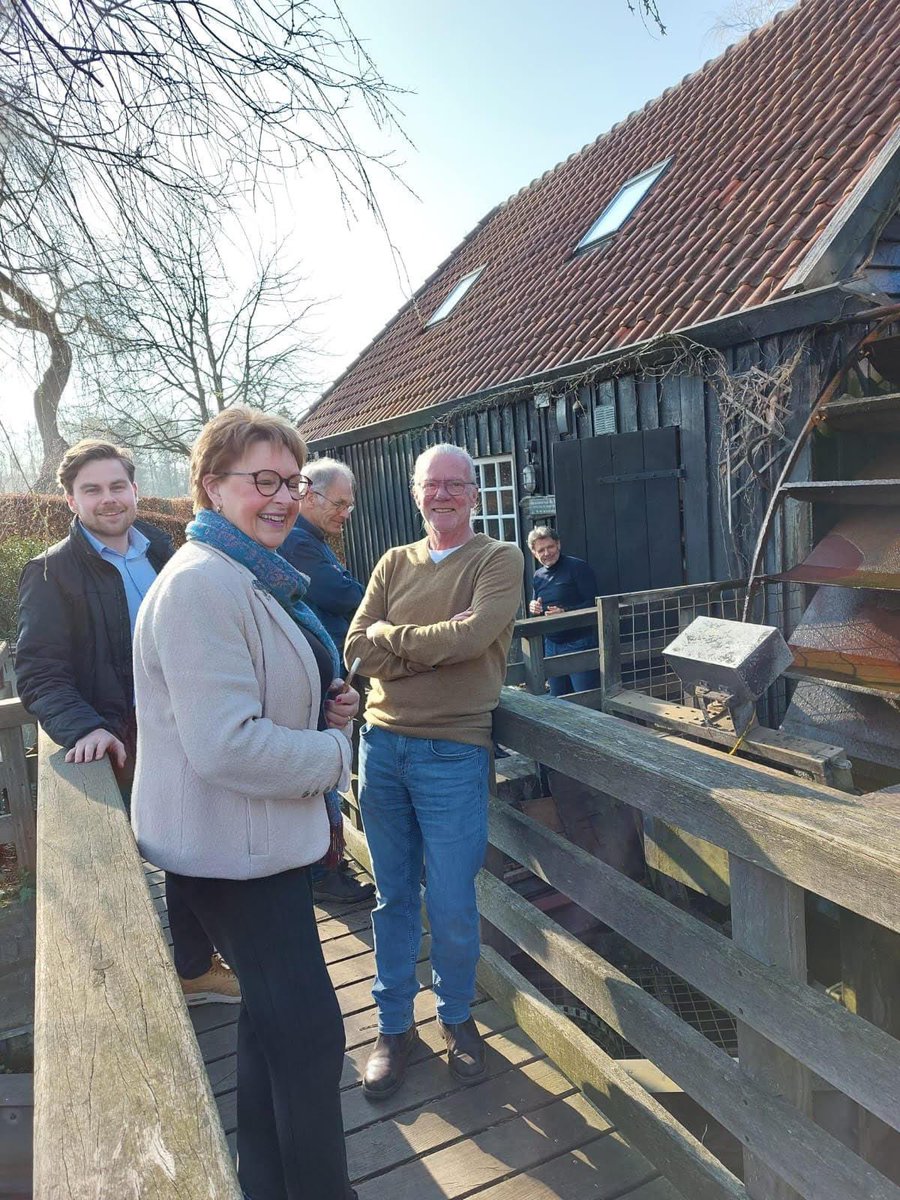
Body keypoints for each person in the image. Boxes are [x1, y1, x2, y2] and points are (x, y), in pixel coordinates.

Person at [131, 407, 360, 1200]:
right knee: (310, 1041)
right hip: (237, 860)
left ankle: (266, 1184)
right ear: (209, 487)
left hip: (258, 847)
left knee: (271, 1031)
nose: (283, 498)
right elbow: (226, 744)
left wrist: (322, 710)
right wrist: (335, 754)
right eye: (262, 481)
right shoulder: (202, 586)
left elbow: (254, 699)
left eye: (291, 481)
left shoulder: (243, 576)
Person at [15, 438, 238, 1006]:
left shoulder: (171, 551)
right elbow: (39, 674)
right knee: (156, 855)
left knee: (201, 845)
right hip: (126, 740)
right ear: (70, 500)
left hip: (196, 724)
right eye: (92, 489)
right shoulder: (49, 573)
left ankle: (198, 965)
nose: (108, 499)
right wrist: (85, 727)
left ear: (135, 490)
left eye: (118, 486)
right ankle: (157, 980)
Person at [345, 443, 524, 1100]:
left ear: (473, 493)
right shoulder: (394, 562)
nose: (443, 495)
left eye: (455, 484)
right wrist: (419, 644)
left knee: (451, 901)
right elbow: (355, 648)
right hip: (383, 748)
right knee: (392, 897)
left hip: (453, 750)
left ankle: (456, 1020)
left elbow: (471, 638)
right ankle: (393, 1028)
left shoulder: (498, 559)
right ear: (416, 493)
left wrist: (394, 639)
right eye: (432, 485)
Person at [279, 457, 373, 905]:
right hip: (316, 679)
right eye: (339, 503)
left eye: (349, 507)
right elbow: (348, 595)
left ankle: (323, 866)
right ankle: (323, 871)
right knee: (324, 771)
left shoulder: (308, 540)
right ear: (309, 496)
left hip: (322, 674)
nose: (345, 514)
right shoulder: (300, 543)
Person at [528, 525, 601, 696]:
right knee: (557, 700)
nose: (547, 553)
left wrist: (566, 612)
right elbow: (538, 606)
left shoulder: (577, 567)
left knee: (586, 699)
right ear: (534, 553)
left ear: (558, 544)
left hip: (578, 642)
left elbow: (594, 602)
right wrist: (534, 607)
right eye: (541, 550)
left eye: (550, 547)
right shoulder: (538, 576)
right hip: (551, 644)